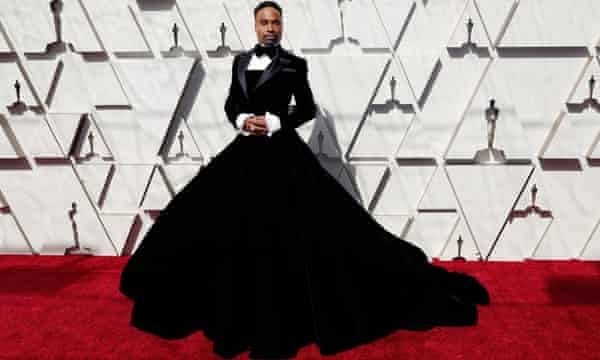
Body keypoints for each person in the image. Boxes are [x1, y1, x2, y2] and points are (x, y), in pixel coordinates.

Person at [119, 1, 490, 359]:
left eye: (275, 23)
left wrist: (277, 121)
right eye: (264, 22)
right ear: (255, 25)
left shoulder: (295, 65)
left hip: (283, 153)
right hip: (245, 151)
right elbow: (232, 104)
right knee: (210, 221)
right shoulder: (240, 63)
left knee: (298, 232)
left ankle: (280, 315)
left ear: (281, 27)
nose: (270, 28)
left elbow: (307, 107)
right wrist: (242, 121)